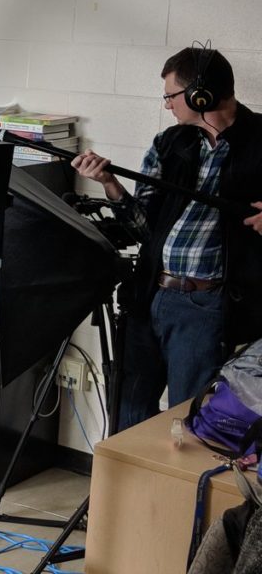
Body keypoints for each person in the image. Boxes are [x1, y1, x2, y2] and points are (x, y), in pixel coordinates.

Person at [72, 47, 262, 430]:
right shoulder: (170, 143)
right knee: (128, 413)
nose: (167, 105)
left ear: (200, 94)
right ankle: (126, 490)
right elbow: (142, 226)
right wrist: (109, 183)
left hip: (206, 306)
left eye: (171, 96)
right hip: (150, 295)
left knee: (190, 417)